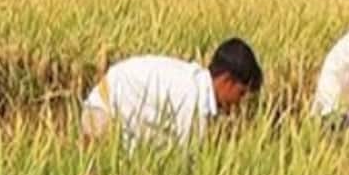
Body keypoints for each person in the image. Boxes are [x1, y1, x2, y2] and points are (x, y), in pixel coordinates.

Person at [81, 39, 262, 147]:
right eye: (241, 93)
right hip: (103, 112)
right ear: (226, 81)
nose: (240, 102)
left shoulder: (195, 81)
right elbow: (184, 162)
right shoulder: (192, 102)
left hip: (110, 104)